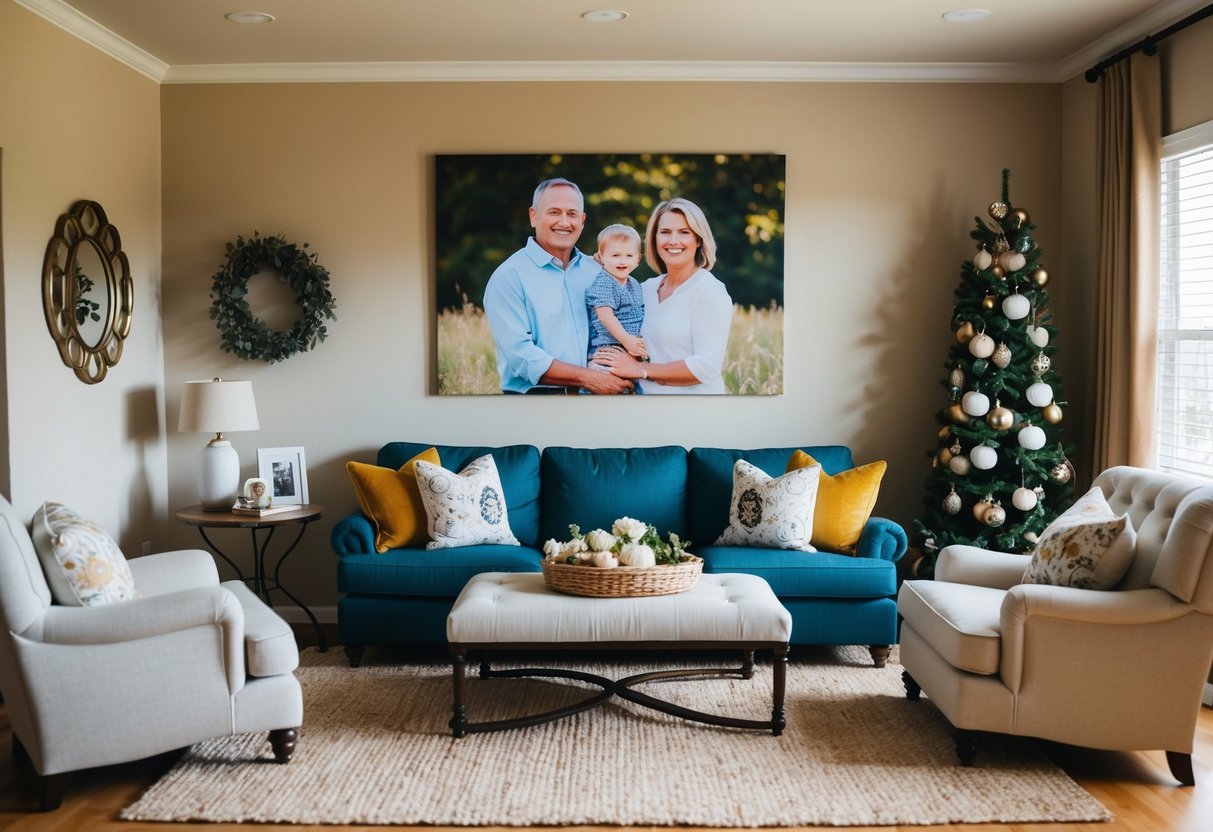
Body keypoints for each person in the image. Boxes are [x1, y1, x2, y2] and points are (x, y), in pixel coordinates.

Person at [482, 178, 634, 395]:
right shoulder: (508, 277)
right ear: (534, 216)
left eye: (572, 214)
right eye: (554, 212)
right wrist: (590, 379)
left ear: (582, 220)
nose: (564, 222)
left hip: (599, 401)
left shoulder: (598, 272)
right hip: (535, 405)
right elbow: (521, 356)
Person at [593, 198, 733, 394]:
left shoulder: (709, 290)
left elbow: (706, 367)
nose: (673, 241)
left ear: (698, 239)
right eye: (665, 232)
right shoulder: (644, 289)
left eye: (684, 232)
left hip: (695, 414)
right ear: (654, 239)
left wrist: (640, 370)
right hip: (646, 411)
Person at [585, 224, 647, 374]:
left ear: (638, 259)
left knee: (629, 389)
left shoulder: (634, 284)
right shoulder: (604, 282)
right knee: (606, 386)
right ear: (601, 257)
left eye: (629, 256)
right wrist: (627, 340)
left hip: (629, 347)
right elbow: (605, 316)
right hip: (607, 349)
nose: (622, 261)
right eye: (615, 255)